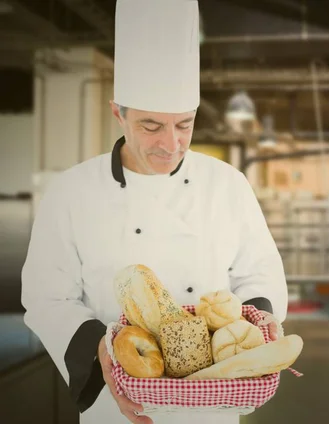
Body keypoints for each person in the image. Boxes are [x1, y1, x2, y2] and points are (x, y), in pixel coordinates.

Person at [20, 1, 288, 423]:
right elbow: (46, 296)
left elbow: (257, 273)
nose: (171, 144)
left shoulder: (228, 185)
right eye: (150, 126)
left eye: (184, 125)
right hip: (119, 405)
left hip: (213, 403)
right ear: (118, 113)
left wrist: (264, 317)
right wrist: (100, 352)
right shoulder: (72, 192)